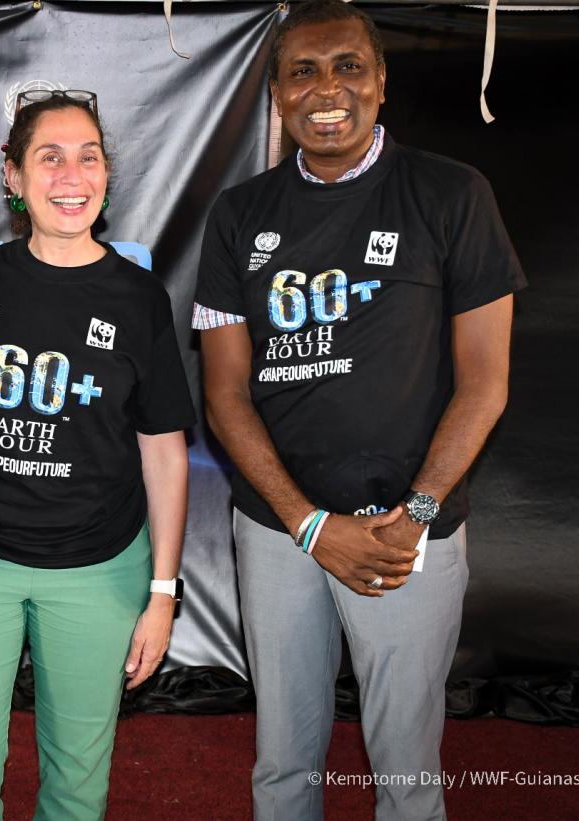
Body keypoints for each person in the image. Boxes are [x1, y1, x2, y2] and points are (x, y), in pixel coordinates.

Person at [194, 1, 526, 818]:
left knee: (406, 766)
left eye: (348, 66)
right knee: (284, 763)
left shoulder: (452, 193)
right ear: (275, 94)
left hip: (403, 533)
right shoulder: (239, 215)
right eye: (302, 71)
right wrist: (306, 521)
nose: (326, 88)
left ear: (381, 82)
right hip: (279, 530)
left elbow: (485, 382)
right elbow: (225, 391)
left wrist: (415, 512)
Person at [0, 90, 195, 821]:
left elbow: (164, 451)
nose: (72, 175)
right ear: (12, 175)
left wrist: (162, 593)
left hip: (99, 567)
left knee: (78, 782)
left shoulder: (139, 297)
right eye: (50, 156)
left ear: (106, 174)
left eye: (89, 156)